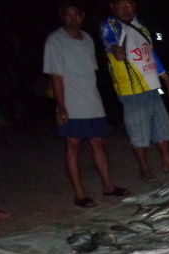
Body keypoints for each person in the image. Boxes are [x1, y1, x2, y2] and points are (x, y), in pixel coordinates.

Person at [43, 0, 129, 208]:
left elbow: (91, 72)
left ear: (82, 16)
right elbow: (57, 76)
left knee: (98, 142)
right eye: (68, 15)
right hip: (71, 102)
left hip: (92, 99)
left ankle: (108, 186)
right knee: (73, 146)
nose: (73, 18)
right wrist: (61, 106)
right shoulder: (55, 40)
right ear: (62, 16)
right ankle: (79, 194)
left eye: (77, 15)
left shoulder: (88, 39)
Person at [100, 0, 169, 183]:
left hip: (152, 86)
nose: (126, 9)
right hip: (132, 90)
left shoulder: (142, 27)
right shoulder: (112, 24)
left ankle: (168, 163)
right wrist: (115, 49)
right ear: (113, 7)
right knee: (138, 132)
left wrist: (166, 79)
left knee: (162, 127)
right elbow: (109, 40)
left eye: (130, 4)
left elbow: (152, 55)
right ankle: (144, 169)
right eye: (121, 5)